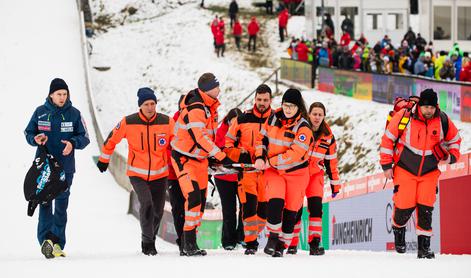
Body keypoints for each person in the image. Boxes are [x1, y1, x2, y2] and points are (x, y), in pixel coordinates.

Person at [380, 89, 461, 259]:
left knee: (426, 208)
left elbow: (454, 140)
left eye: (432, 107)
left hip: (429, 172)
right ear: (420, 105)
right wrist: (386, 165)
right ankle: (398, 230)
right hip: (404, 168)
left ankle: (424, 248)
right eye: (426, 107)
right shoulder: (405, 116)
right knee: (403, 206)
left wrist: (452, 157)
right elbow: (388, 139)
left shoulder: (443, 120)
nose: (429, 110)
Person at [97, 87, 174, 256]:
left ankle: (150, 238)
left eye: (153, 103)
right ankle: (147, 243)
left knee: (158, 211)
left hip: (160, 175)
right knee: (146, 204)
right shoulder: (128, 122)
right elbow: (111, 139)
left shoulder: (167, 122)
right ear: (140, 106)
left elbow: (177, 143)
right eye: (146, 104)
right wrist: (104, 159)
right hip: (137, 174)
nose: (150, 107)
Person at [170, 73, 236, 256]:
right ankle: (187, 244)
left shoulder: (210, 107)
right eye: (217, 86)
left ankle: (190, 243)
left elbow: (208, 137)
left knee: (199, 202)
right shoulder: (197, 107)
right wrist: (220, 155)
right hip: (184, 158)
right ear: (208, 89)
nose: (220, 89)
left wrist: (213, 156)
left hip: (200, 160)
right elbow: (199, 136)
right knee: (193, 198)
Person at [25, 78, 90, 259]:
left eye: (65, 94)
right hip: (44, 169)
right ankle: (45, 241)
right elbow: (28, 132)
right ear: (51, 95)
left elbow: (85, 137)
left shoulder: (74, 114)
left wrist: (72, 142)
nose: (62, 97)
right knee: (44, 203)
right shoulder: (40, 112)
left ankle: (57, 243)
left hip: (65, 168)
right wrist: (35, 139)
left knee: (61, 205)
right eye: (59, 94)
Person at [254, 88, 313, 257]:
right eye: (285, 105)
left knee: (291, 211)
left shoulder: (304, 127)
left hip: (296, 173)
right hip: (273, 171)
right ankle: (272, 238)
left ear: (299, 108)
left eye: (292, 106)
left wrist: (270, 161)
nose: (288, 109)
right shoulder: (273, 118)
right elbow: (261, 139)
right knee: (275, 201)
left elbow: (295, 154)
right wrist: (259, 156)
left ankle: (282, 244)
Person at [287, 102, 340, 255]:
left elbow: (331, 162)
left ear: (324, 117)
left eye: (320, 115)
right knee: (294, 209)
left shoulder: (328, 137)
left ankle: (315, 244)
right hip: (298, 173)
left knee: (316, 208)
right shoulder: (300, 129)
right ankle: (291, 244)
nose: (317, 117)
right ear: (309, 115)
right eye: (314, 114)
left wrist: (335, 185)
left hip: (315, 176)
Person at [225, 84, 273, 255]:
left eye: (265, 100)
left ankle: (254, 234)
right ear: (255, 99)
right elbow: (228, 144)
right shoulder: (242, 119)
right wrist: (240, 155)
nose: (262, 103)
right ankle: (250, 242)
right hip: (247, 172)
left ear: (270, 100)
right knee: (249, 207)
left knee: (264, 212)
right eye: (259, 99)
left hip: (268, 172)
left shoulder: (276, 119)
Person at [214, 108, 244, 250]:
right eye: (233, 122)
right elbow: (219, 149)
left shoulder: (245, 130)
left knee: (246, 207)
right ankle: (228, 241)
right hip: (224, 177)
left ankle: (242, 237)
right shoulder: (221, 131)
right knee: (229, 209)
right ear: (228, 121)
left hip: (241, 176)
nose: (235, 126)